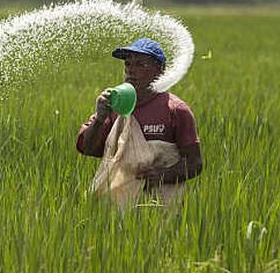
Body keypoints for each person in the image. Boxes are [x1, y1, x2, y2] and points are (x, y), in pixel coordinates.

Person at [77, 37, 202, 191]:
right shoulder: (114, 106)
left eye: (140, 65)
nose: (131, 70)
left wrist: (162, 175)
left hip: (161, 205)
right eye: (128, 64)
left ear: (160, 70)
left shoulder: (176, 110)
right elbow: (88, 149)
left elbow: (195, 163)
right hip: (118, 204)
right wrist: (99, 119)